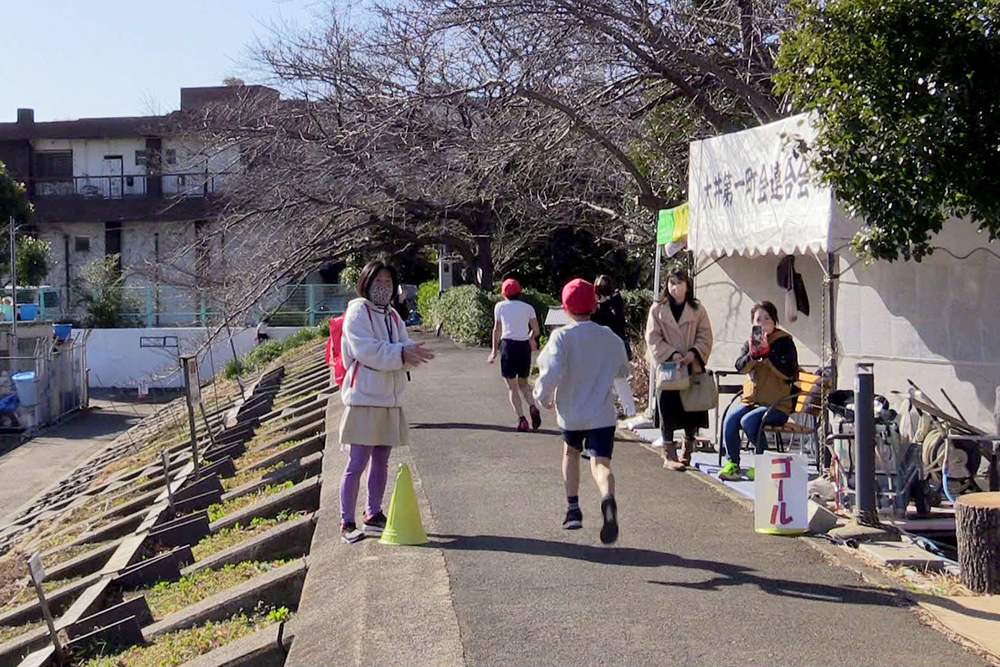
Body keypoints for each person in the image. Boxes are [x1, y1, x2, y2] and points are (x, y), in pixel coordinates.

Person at [338, 258, 435, 543]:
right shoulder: (358, 311)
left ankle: (373, 513)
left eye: (388, 283)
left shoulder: (392, 315)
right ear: (366, 283)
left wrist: (411, 350)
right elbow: (365, 350)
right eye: (378, 282)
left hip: (390, 398)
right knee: (357, 462)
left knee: (382, 458)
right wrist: (401, 355)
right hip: (364, 397)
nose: (383, 287)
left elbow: (401, 342)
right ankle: (347, 522)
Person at [534, 279, 630, 544]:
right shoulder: (609, 338)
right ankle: (607, 499)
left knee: (571, 453)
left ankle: (573, 509)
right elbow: (623, 370)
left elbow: (550, 373)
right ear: (594, 305)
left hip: (572, 412)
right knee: (601, 464)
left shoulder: (561, 337)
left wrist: (541, 398)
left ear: (565, 308)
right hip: (601, 413)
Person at [718, 300, 799, 481]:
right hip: (753, 402)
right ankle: (733, 464)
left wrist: (768, 354)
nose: (762, 323)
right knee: (730, 421)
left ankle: (763, 462)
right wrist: (754, 355)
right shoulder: (750, 342)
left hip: (778, 405)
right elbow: (740, 367)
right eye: (757, 320)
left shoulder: (784, 342)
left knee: (749, 421)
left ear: (774, 321)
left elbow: (789, 374)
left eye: (767, 319)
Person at [645, 267, 714, 471]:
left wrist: (694, 352)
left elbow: (705, 335)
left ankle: (688, 450)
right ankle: (669, 454)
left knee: (691, 408)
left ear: (688, 285)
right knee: (667, 407)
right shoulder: (657, 309)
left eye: (679, 283)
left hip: (691, 365)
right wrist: (671, 354)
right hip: (668, 367)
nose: (675, 287)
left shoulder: (697, 309)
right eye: (672, 283)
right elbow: (652, 337)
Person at [487, 278, 542, 432]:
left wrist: (493, 352)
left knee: (512, 387)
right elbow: (536, 330)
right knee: (524, 383)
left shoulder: (500, 306)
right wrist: (531, 338)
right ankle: (533, 406)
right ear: (520, 291)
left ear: (503, 293)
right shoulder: (528, 308)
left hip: (508, 347)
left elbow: (496, 330)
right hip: (523, 346)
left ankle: (522, 419)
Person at [591, 275, 636, 418]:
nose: (601, 290)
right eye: (599, 287)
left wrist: (604, 304)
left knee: (618, 378)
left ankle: (630, 410)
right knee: (603, 380)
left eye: (604, 286)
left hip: (615, 344)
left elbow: (616, 322)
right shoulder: (594, 304)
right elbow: (594, 322)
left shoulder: (615, 300)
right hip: (600, 346)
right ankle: (613, 409)